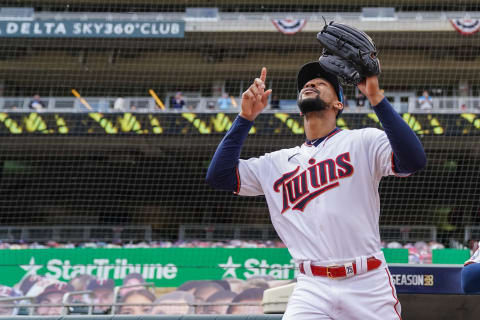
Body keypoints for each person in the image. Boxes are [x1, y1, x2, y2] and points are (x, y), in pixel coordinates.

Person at [206, 61, 426, 319]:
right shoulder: (275, 163)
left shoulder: (362, 141)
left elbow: (413, 160)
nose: (310, 84)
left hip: (367, 283)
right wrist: (245, 119)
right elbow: (219, 176)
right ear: (299, 111)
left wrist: (376, 98)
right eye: (307, 84)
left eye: (321, 83)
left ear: (338, 104)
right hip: (312, 287)